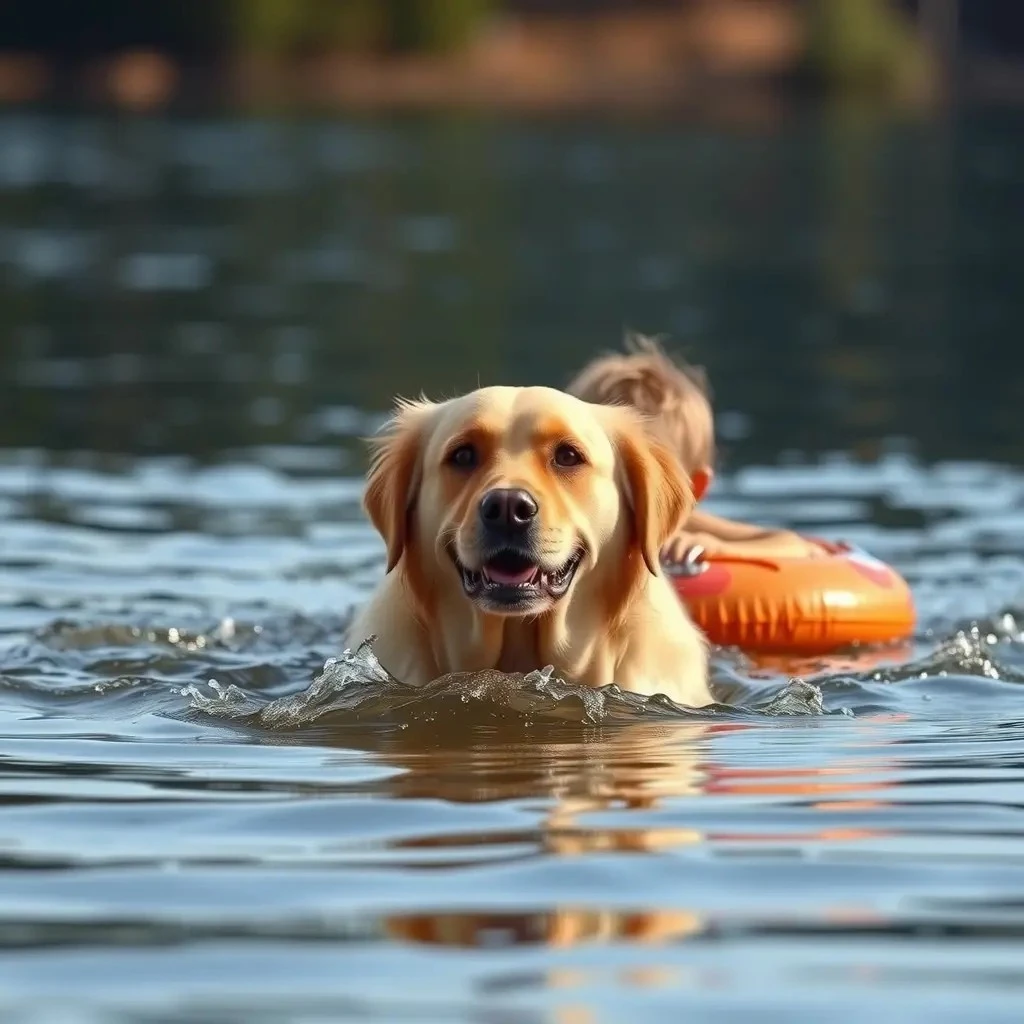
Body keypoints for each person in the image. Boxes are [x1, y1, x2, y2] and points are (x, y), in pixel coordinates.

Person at [567, 332, 824, 564]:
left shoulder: (687, 527)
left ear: (693, 489)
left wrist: (717, 548)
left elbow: (795, 547)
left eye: (637, 478)